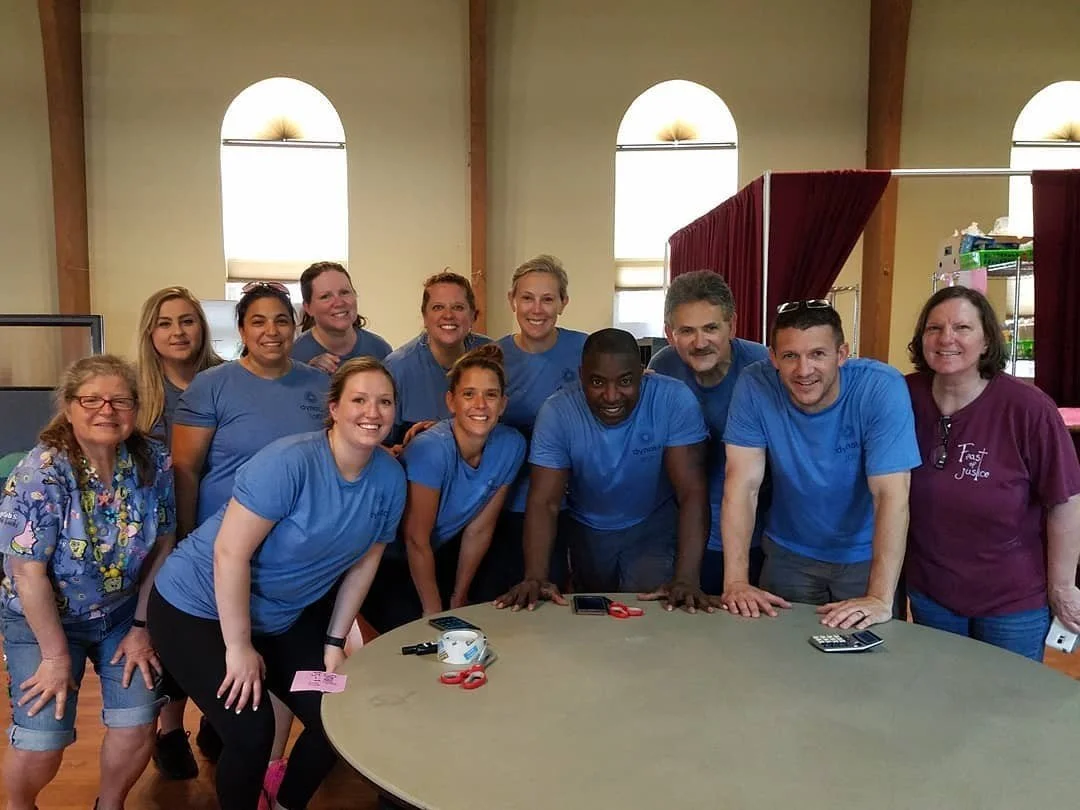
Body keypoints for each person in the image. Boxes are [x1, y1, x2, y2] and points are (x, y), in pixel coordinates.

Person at [149, 358, 406, 810]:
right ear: (334, 408)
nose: (373, 412)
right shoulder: (289, 462)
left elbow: (365, 564)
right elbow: (230, 554)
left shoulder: (388, 477)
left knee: (338, 717)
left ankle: (285, 802)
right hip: (197, 608)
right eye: (359, 400)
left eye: (384, 401)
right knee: (253, 732)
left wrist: (333, 640)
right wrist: (239, 647)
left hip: (283, 618)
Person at [0, 355, 176, 810]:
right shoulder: (41, 473)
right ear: (69, 405)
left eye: (120, 400)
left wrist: (142, 626)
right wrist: (56, 657)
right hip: (40, 620)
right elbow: (27, 571)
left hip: (122, 612)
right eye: (92, 400)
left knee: (138, 717)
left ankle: (110, 804)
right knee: (43, 736)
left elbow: (164, 543)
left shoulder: (152, 459)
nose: (107, 410)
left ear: (135, 408)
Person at [170, 281, 328, 780]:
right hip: (223, 550)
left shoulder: (319, 387)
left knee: (276, 654)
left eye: (281, 320)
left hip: (296, 556)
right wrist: (187, 535)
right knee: (225, 650)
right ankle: (200, 730)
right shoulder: (212, 387)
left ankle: (255, 747)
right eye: (258, 321)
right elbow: (186, 470)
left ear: (296, 326)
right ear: (241, 329)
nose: (271, 331)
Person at [904, 286, 1080, 661]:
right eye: (934, 328)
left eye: (962, 328)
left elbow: (1065, 501)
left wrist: (1063, 588)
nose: (946, 338)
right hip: (931, 592)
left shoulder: (1028, 408)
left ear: (986, 340)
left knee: (1008, 708)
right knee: (938, 697)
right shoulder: (904, 395)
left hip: (1012, 600)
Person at [721, 300, 920, 629]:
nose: (804, 370)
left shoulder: (880, 387)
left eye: (817, 354)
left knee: (867, 671)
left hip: (864, 557)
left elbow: (891, 494)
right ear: (773, 357)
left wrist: (880, 598)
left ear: (841, 354)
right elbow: (742, 485)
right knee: (780, 661)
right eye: (790, 356)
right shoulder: (755, 384)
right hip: (788, 555)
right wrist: (736, 583)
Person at [496, 328, 715, 612]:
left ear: (641, 372)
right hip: (587, 530)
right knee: (596, 620)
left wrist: (687, 578)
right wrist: (536, 577)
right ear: (581, 375)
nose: (611, 396)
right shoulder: (557, 412)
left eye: (625, 381)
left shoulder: (673, 399)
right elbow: (544, 502)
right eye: (597, 382)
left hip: (652, 528)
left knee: (646, 617)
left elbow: (691, 492)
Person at [364, 344, 526, 632]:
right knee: (420, 631)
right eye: (469, 394)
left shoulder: (512, 445)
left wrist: (458, 597)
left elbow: (479, 529)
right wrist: (433, 611)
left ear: (503, 404)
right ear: (451, 401)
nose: (480, 405)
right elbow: (416, 540)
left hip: (439, 553)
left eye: (490, 395)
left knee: (484, 615)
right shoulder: (431, 449)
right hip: (387, 561)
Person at [134, 285, 222, 779]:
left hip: (217, 524)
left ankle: (218, 718)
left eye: (187, 321)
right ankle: (170, 732)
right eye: (166, 323)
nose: (178, 331)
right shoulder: (138, 391)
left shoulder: (227, 377)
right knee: (169, 635)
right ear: (151, 333)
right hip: (157, 533)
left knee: (220, 628)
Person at [647, 271, 770, 594]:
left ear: (733, 325)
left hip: (756, 534)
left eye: (711, 328)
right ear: (669, 333)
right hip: (683, 533)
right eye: (686, 331)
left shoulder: (766, 369)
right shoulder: (662, 369)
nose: (699, 343)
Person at [477, 254, 586, 599]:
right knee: (498, 602)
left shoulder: (587, 350)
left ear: (563, 303)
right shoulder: (493, 356)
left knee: (550, 601)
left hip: (567, 505)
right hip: (503, 504)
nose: (536, 309)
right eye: (527, 298)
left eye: (548, 299)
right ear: (512, 300)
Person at [383, 271, 491, 445]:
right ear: (425, 317)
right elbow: (380, 441)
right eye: (438, 307)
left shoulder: (491, 356)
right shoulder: (397, 368)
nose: (448, 315)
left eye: (458, 307)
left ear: (473, 316)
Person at [291, 261, 392, 373]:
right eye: (325, 297)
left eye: (344, 292)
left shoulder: (380, 349)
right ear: (308, 308)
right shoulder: (294, 356)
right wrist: (308, 373)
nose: (339, 303)